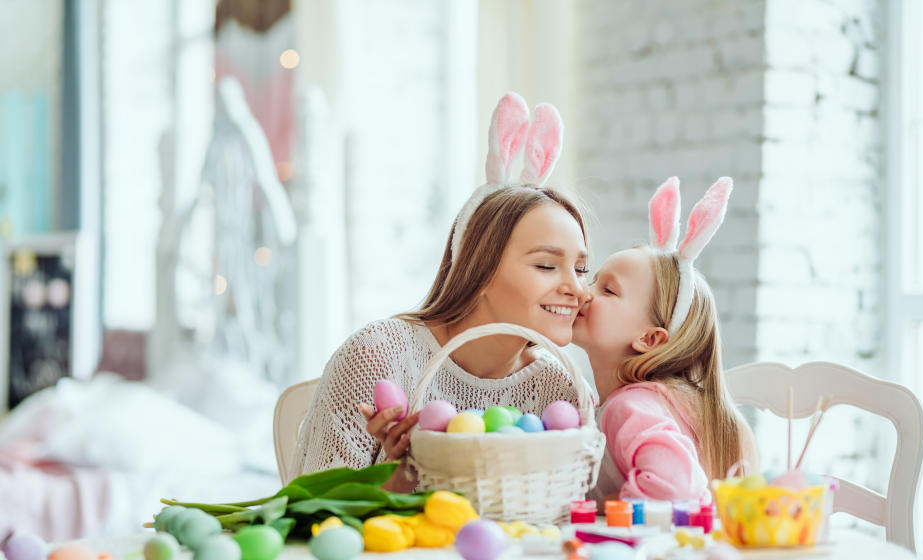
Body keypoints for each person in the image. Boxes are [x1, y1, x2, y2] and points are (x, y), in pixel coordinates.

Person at [289, 92, 590, 492]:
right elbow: (310, 520)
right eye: (547, 266)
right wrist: (398, 476)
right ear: (479, 271)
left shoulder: (558, 389)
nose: (576, 288)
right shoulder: (380, 358)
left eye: (583, 269)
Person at [573, 176, 760, 502]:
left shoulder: (628, 407)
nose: (584, 292)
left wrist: (608, 514)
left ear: (649, 339)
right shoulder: (661, 402)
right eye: (593, 280)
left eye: (608, 290)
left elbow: (676, 488)